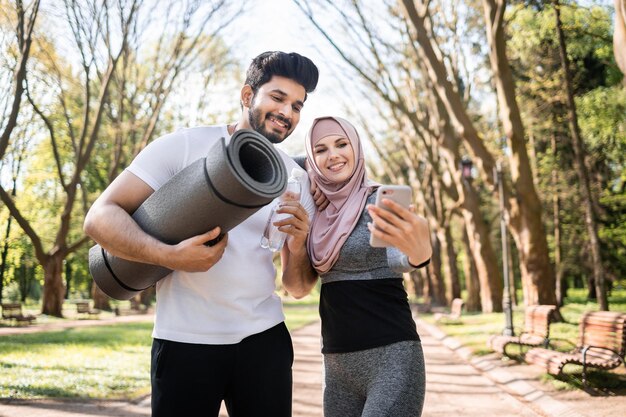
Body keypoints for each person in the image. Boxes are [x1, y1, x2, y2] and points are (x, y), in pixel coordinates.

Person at [83, 51, 320, 417]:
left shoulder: (295, 178)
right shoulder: (184, 146)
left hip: (264, 343)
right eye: (277, 97)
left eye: (297, 105)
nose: (288, 113)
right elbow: (99, 218)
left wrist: (301, 244)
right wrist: (168, 256)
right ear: (247, 96)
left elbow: (298, 287)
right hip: (184, 342)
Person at [304, 116, 432, 417]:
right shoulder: (315, 209)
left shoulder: (378, 201)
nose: (333, 154)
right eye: (320, 149)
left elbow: (403, 258)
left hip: (392, 357)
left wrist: (419, 251)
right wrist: (310, 177)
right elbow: (284, 164)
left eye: (341, 144)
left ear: (356, 147)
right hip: (337, 366)